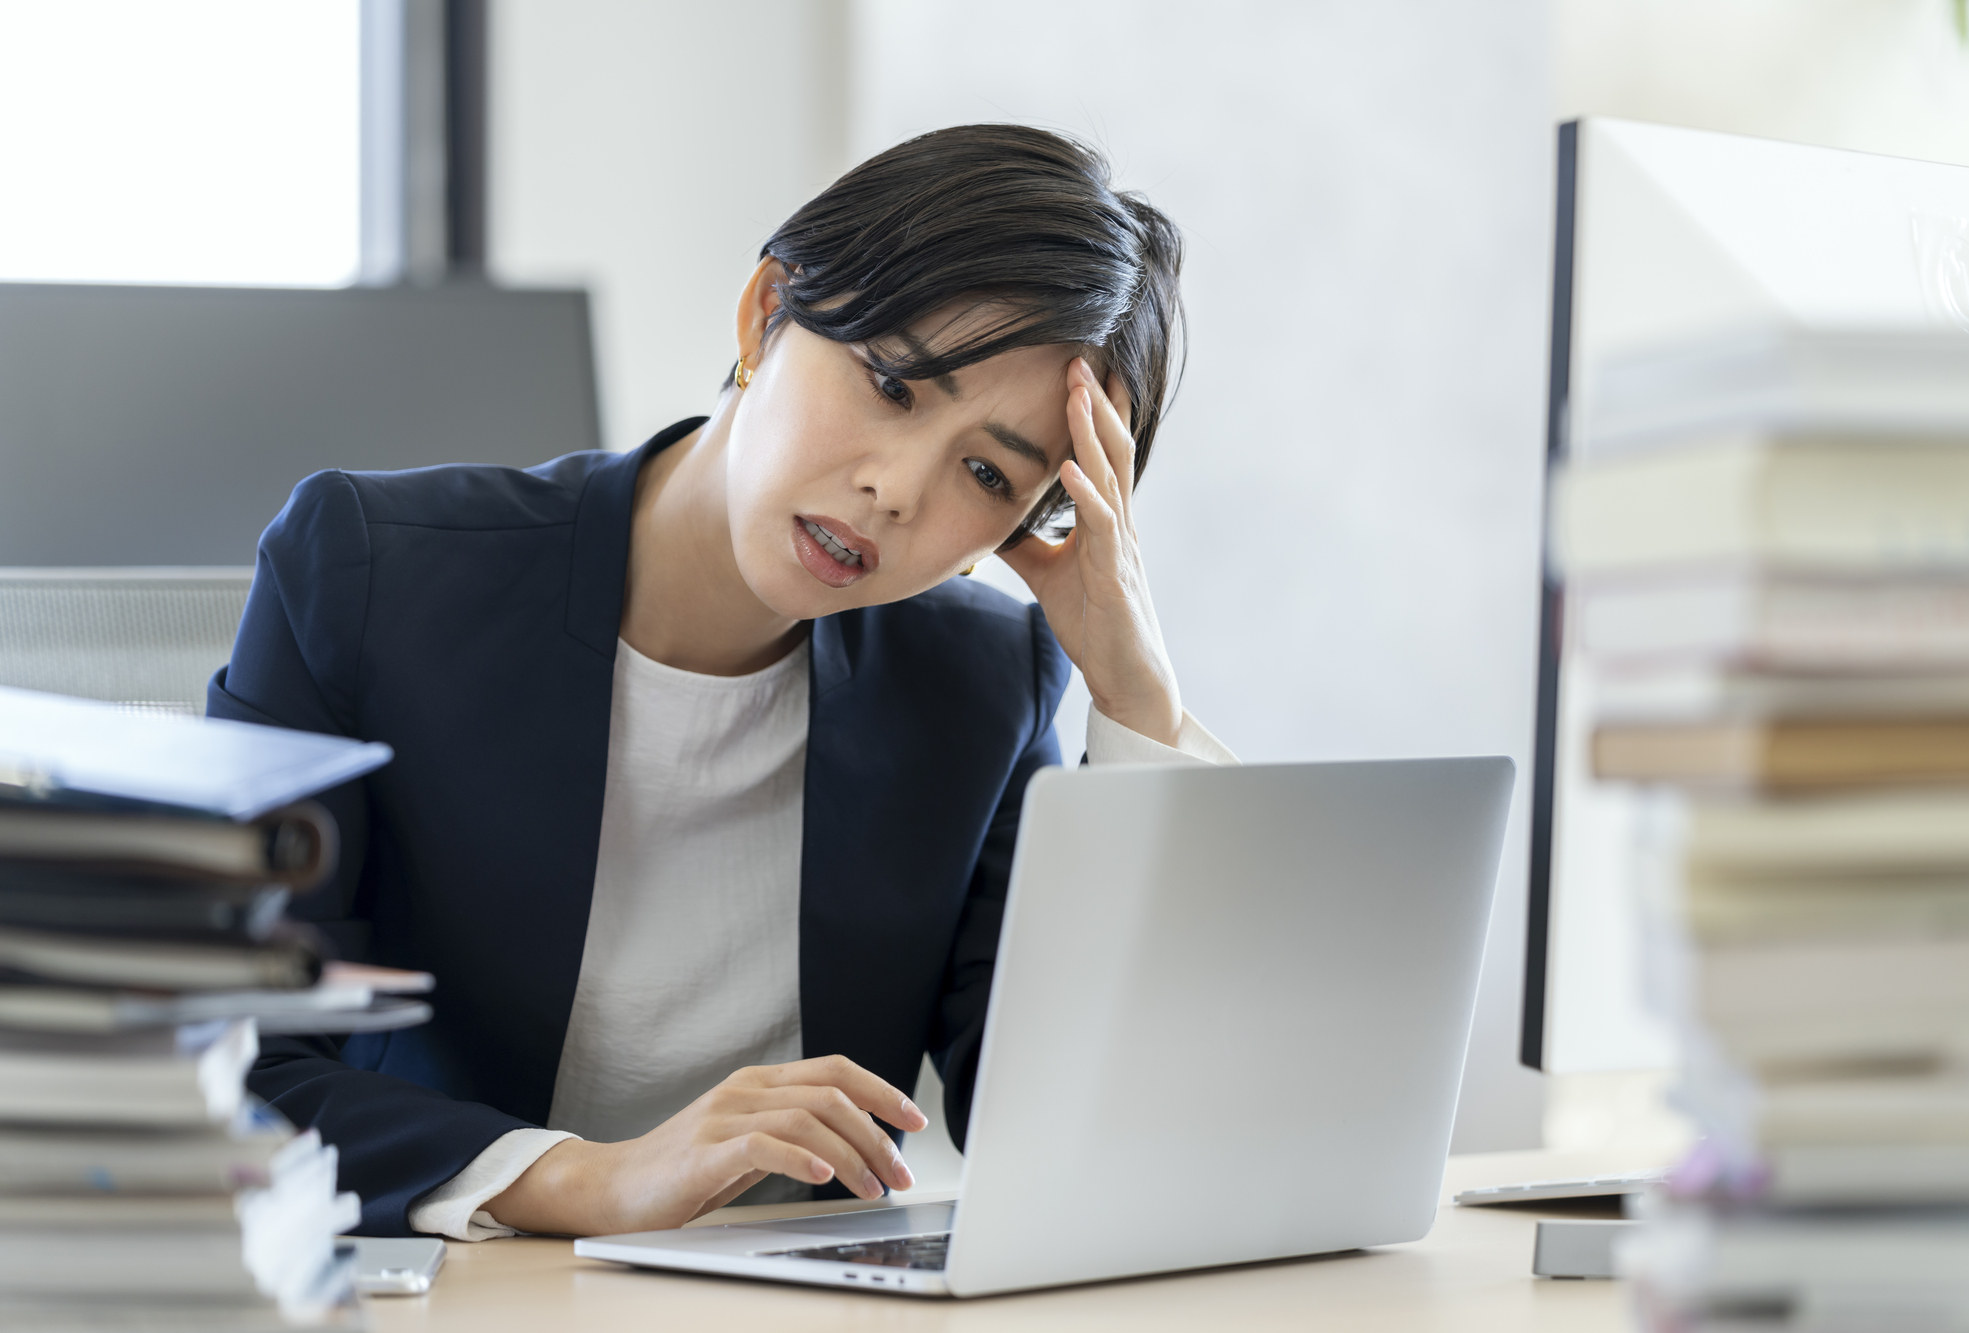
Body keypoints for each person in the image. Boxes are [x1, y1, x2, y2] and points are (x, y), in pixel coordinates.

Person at [208, 123, 1234, 1241]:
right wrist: (588, 1179)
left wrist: (1134, 701)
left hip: (799, 1306)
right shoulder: (369, 575)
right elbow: (231, 1058)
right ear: (766, 314)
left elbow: (1082, 1129)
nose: (897, 489)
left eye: (986, 473)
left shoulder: (981, 683)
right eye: (892, 384)